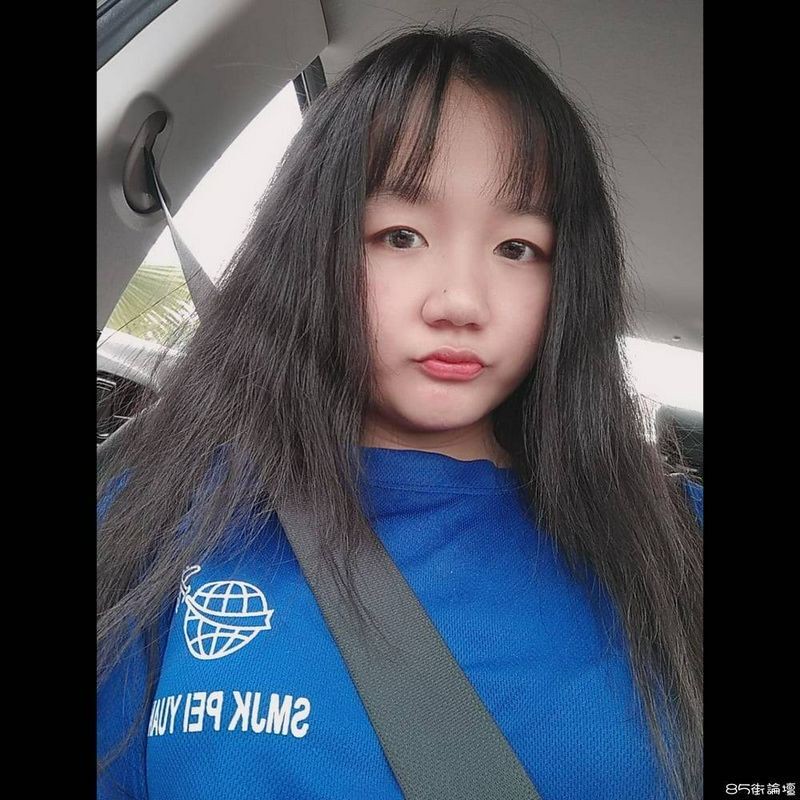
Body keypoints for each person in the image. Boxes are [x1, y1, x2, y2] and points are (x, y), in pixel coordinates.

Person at [97, 25, 703, 800]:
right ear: (312, 249)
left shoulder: (673, 542)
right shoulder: (160, 512)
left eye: (517, 248)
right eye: (401, 235)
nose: (460, 301)